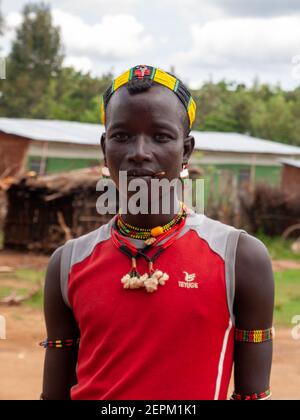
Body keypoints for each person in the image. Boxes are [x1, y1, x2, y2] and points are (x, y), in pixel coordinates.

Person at [41, 65, 274, 400]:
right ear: (105, 148)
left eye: (160, 137)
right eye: (122, 136)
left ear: (186, 151)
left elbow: (253, 395)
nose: (139, 152)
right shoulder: (67, 263)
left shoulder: (240, 259)